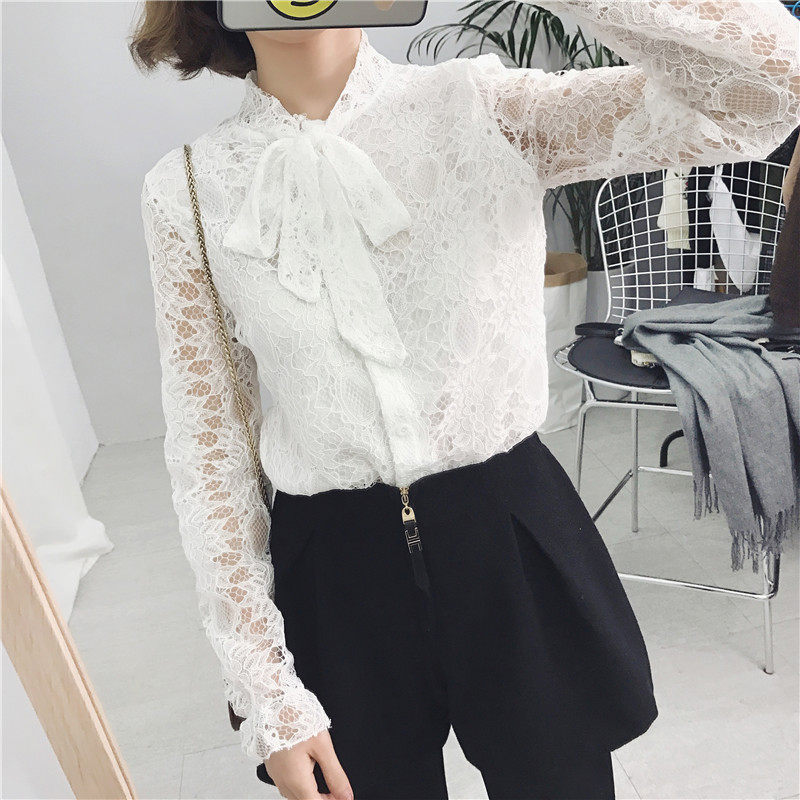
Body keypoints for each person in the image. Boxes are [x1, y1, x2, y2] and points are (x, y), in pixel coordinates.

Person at [131, 1, 800, 798]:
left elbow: (768, 93)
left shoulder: (486, 108)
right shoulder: (188, 190)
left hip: (511, 535)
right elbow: (210, 446)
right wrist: (264, 687)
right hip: (333, 578)